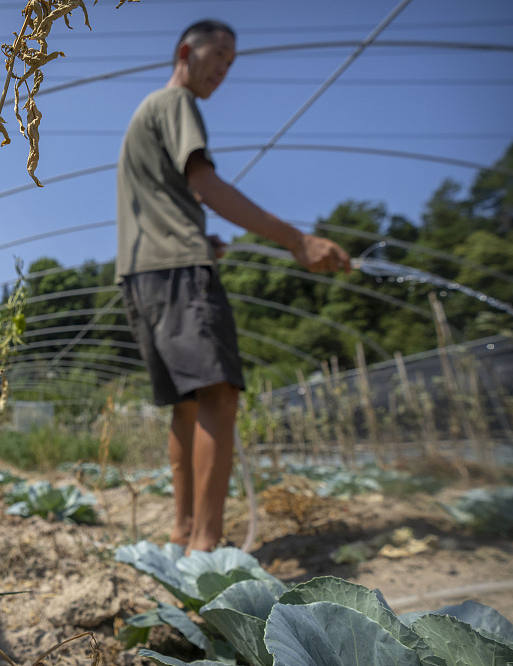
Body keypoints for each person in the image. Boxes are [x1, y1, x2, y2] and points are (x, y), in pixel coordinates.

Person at [115, 19, 351, 554]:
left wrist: (205, 237)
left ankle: (181, 536)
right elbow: (205, 184)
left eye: (231, 61)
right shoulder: (176, 104)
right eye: (218, 54)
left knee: (187, 403)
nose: (223, 69)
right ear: (185, 52)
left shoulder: (145, 114)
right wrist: (297, 240)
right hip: (177, 269)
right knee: (218, 395)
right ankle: (206, 547)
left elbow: (172, 201)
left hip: (142, 274)